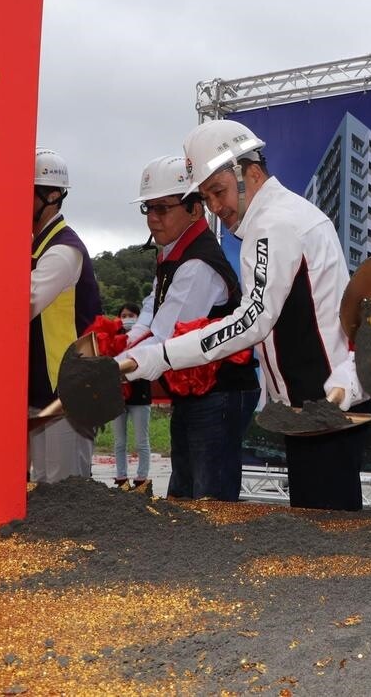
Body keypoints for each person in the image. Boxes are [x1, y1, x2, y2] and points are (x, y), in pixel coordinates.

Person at [121, 123, 369, 511]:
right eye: (207, 197)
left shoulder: (274, 224)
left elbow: (254, 319)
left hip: (323, 405)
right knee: (324, 532)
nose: (216, 208)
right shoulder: (282, 217)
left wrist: (161, 356)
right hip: (315, 406)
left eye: (217, 192)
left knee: (329, 535)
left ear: (250, 171)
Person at [124, 157, 260, 501]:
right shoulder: (173, 253)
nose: (153, 218)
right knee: (184, 495)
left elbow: (163, 336)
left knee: (207, 501)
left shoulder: (197, 264)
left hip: (220, 392)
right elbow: (150, 310)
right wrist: (122, 346)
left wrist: (114, 366)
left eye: (163, 208)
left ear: (195, 211)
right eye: (148, 209)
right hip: (198, 391)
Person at [29, 147, 102, 483]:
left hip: (66, 392)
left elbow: (24, 304)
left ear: (52, 196)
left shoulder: (61, 249)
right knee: (42, 488)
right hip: (44, 389)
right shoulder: (38, 245)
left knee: (64, 490)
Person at [114, 303, 153, 489]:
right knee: (120, 441)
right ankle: (121, 477)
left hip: (140, 396)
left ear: (138, 317)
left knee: (141, 441)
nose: (127, 318)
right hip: (117, 398)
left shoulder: (146, 338)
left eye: (131, 315)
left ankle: (141, 478)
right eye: (124, 315)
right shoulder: (113, 340)